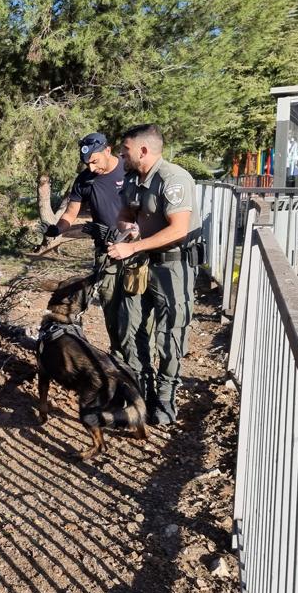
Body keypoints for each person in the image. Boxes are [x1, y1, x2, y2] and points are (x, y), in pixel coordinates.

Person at [106, 124, 202, 426]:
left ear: (143, 151)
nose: (121, 154)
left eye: (126, 149)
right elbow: (126, 213)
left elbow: (178, 229)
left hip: (173, 266)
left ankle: (164, 399)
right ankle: (141, 393)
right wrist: (126, 227)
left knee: (171, 333)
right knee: (131, 328)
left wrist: (133, 249)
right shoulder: (134, 179)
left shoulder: (173, 179)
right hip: (143, 263)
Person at [45, 131, 127, 352]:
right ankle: (118, 354)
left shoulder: (128, 170)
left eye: (94, 161)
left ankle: (138, 359)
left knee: (134, 305)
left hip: (135, 249)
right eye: (86, 163)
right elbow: (71, 214)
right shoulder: (84, 180)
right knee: (110, 304)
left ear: (107, 150)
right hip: (106, 252)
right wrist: (57, 228)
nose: (91, 168)